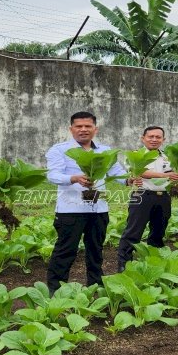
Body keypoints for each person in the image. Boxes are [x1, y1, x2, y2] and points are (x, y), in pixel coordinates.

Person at [46, 111, 127, 294]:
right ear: (71, 129)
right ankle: (56, 290)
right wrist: (74, 178)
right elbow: (53, 175)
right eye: (78, 126)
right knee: (65, 250)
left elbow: (116, 171)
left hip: (99, 209)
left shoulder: (105, 151)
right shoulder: (59, 149)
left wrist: (129, 180)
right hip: (70, 209)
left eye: (88, 126)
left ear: (95, 129)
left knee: (96, 250)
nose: (83, 130)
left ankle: (95, 286)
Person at [116, 126, 178, 271]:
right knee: (133, 231)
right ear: (143, 138)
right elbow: (142, 172)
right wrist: (166, 176)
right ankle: (124, 264)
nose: (154, 139)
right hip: (141, 195)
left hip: (163, 197)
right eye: (151, 136)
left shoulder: (166, 157)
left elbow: (175, 171)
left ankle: (153, 262)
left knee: (159, 230)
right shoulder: (135, 155)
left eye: (158, 137)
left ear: (163, 140)